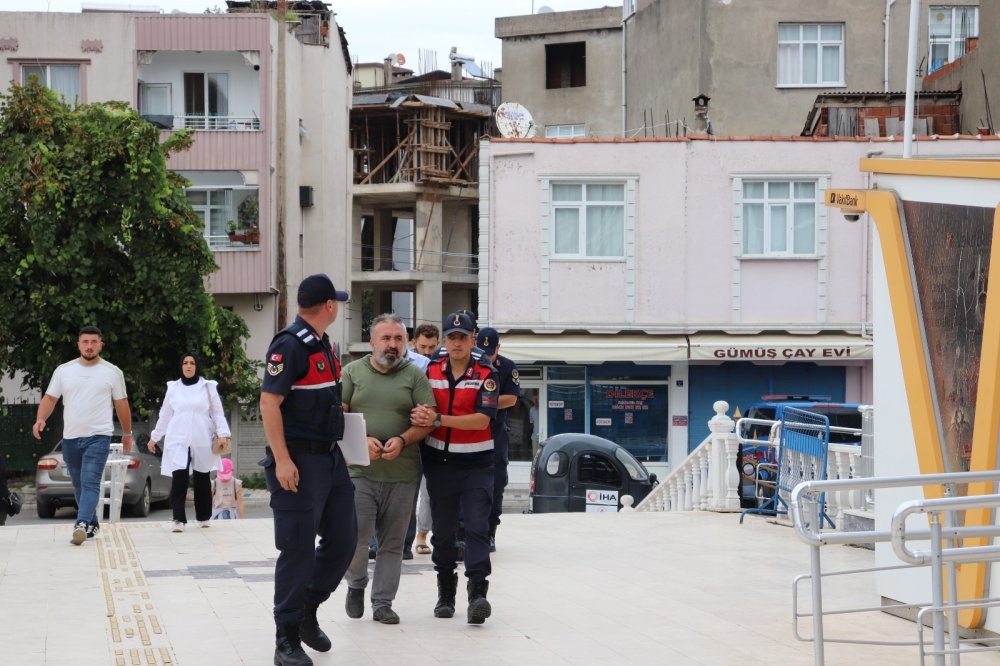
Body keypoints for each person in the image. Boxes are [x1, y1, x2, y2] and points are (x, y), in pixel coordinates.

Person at [260, 274, 357, 666]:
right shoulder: (289, 345)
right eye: (338, 302)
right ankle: (285, 637)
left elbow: (327, 406)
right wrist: (283, 460)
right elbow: (269, 405)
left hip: (331, 459)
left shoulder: (323, 345)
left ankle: (307, 610)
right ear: (329, 306)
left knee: (345, 540)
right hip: (298, 461)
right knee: (297, 549)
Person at [341, 314, 435, 624]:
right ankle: (355, 584)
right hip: (359, 473)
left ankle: (383, 603)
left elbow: (427, 420)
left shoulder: (415, 377)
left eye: (398, 339)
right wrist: (361, 439)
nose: (392, 345)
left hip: (403, 475)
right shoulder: (352, 373)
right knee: (355, 538)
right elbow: (336, 419)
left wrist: (403, 439)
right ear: (372, 343)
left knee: (392, 545)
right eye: (386, 338)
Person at [410, 311, 499, 625]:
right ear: (444, 340)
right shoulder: (429, 371)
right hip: (440, 464)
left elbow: (482, 420)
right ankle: (445, 593)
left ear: (473, 338)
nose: (457, 342)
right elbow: (419, 407)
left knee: (476, 528)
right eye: (452, 337)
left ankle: (478, 595)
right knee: (443, 533)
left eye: (463, 337)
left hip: (477, 464)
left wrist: (437, 420)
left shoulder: (486, 372)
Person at [32, 325, 132, 545]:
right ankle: (92, 522)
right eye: (85, 342)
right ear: (78, 344)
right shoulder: (64, 371)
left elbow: (122, 404)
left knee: (90, 481)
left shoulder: (112, 372)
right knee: (77, 483)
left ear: (101, 344)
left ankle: (81, 524)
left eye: (93, 342)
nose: (89, 346)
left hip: (99, 436)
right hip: (71, 438)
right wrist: (41, 419)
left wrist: (127, 433)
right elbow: (50, 399)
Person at [148, 353, 231, 532]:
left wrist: (223, 434)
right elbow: (165, 415)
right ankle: (179, 518)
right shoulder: (173, 388)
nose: (188, 366)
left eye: (192, 363)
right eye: (185, 362)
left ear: (197, 366)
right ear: (181, 366)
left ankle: (203, 517)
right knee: (180, 477)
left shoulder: (208, 387)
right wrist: (155, 437)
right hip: (178, 438)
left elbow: (217, 413)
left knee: (202, 478)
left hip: (202, 438)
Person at [475, 327, 521, 552]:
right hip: (470, 432)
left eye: (490, 353)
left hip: (495, 432)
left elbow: (511, 399)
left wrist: (483, 402)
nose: (486, 357)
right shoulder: (469, 363)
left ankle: (490, 531)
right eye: (482, 351)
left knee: (497, 483)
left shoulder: (507, 366)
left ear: (498, 349)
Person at [405, 322, 440, 557]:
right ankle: (397, 542)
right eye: (423, 346)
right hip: (404, 436)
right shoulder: (401, 363)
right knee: (403, 492)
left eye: (432, 347)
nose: (427, 352)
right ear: (413, 342)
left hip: (429, 435)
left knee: (427, 491)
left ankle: (421, 535)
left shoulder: (437, 366)